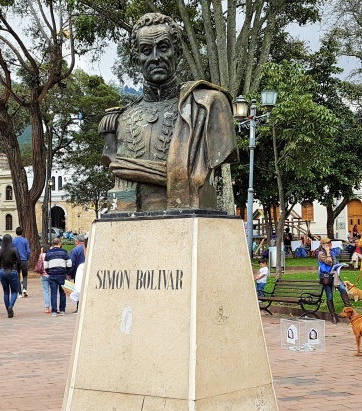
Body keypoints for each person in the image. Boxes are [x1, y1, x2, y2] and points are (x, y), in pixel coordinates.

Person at [99, 12, 237, 211]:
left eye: (163, 48)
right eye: (146, 50)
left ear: (177, 52)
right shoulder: (118, 121)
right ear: (136, 58)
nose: (156, 58)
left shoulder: (208, 106)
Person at [318, 237, 351, 323]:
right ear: (324, 245)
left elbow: (334, 263)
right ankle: (333, 315)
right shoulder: (320, 253)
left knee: (343, 289)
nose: (330, 245)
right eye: (328, 244)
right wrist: (328, 252)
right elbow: (328, 262)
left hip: (334, 275)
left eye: (330, 243)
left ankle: (349, 310)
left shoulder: (332, 252)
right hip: (326, 277)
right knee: (329, 295)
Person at [44, 238, 72, 317]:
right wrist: (67, 272)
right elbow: (69, 263)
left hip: (52, 275)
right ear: (60, 243)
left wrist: (49, 272)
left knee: (53, 293)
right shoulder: (64, 252)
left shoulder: (48, 253)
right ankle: (62, 310)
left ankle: (54, 311)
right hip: (62, 274)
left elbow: (45, 265)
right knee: (62, 293)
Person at [0, 234, 21, 318]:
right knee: (14, 291)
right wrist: (17, 271)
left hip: (2, 271)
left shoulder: (0, 251)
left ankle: (8, 309)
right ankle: (11, 305)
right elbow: (19, 261)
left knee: (6, 292)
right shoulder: (14, 250)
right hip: (13, 270)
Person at [12, 227, 30, 297]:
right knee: (25, 275)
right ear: (22, 232)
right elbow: (28, 251)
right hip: (24, 260)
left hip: (16, 261)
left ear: (16, 232)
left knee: (17, 276)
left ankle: (19, 293)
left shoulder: (13, 241)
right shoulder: (25, 241)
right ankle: (24, 288)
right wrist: (27, 258)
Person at [36, 244, 51, 313]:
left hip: (43, 275)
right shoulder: (51, 255)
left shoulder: (42, 255)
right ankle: (54, 306)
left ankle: (47, 307)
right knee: (53, 291)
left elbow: (39, 263)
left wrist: (41, 253)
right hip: (51, 274)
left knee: (46, 291)